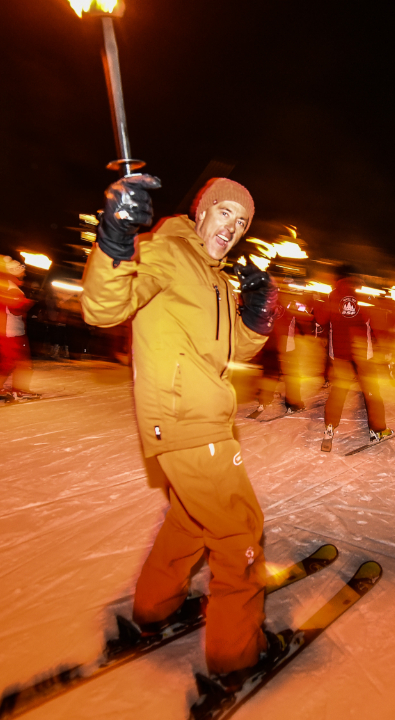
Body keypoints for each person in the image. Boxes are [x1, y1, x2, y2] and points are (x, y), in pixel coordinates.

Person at [79, 176, 281, 688]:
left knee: (191, 521)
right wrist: (117, 236)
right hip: (187, 419)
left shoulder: (212, 275)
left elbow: (232, 348)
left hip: (198, 418)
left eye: (240, 222)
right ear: (202, 213)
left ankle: (153, 608)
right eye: (224, 214)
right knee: (239, 533)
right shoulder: (167, 251)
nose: (231, 228)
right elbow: (102, 308)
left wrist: (255, 313)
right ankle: (237, 657)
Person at [312, 264, 391, 452]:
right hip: (362, 350)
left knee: (339, 390)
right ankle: (377, 429)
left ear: (338, 279)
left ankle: (330, 427)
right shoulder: (363, 296)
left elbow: (320, 320)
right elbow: (375, 321)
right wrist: (381, 341)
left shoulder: (332, 295)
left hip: (339, 352)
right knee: (371, 390)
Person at [0, 254, 38, 400]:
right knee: (22, 363)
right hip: (11, 331)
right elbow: (12, 308)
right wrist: (26, 303)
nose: (24, 273)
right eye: (21, 271)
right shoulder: (10, 288)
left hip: (5, 330)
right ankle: (19, 389)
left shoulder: (4, 286)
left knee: (5, 363)